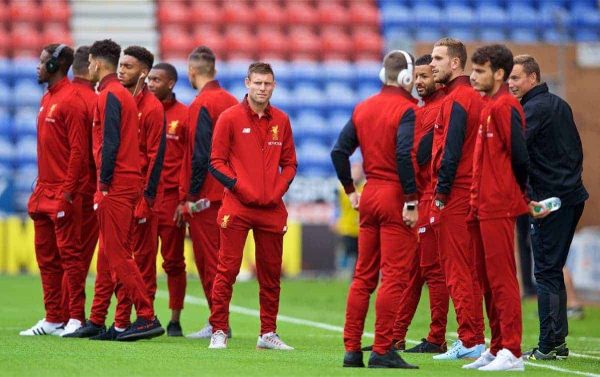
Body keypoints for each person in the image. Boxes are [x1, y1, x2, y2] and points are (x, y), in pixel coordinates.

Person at [332, 50, 419, 369]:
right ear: (407, 77)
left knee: (363, 276)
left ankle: (352, 350)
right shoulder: (408, 109)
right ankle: (382, 349)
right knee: (394, 276)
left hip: (369, 195)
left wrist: (351, 190)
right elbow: (403, 155)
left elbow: (339, 151)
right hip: (396, 195)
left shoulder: (363, 107)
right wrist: (412, 199)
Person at [207, 62, 297, 350]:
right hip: (237, 206)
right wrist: (238, 187)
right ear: (247, 83)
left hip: (271, 209)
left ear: (274, 85)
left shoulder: (281, 120)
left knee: (270, 274)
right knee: (227, 270)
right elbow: (215, 162)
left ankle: (268, 332)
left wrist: (277, 191)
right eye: (257, 83)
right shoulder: (229, 118)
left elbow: (290, 163)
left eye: (267, 83)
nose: (262, 88)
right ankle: (218, 330)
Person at [78, 39, 163, 341]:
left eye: (89, 62)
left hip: (116, 185)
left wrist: (103, 185)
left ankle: (146, 315)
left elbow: (110, 142)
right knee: (114, 254)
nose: (88, 67)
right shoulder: (120, 94)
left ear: (97, 63)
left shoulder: (110, 95)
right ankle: (108, 319)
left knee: (118, 255)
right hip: (124, 183)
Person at [508, 54, 589, 360]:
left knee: (544, 273)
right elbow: (576, 151)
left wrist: (530, 197)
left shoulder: (530, 110)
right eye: (509, 78)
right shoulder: (559, 104)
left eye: (516, 78)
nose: (511, 84)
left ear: (533, 77)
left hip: (548, 202)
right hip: (572, 196)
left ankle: (547, 343)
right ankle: (558, 340)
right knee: (552, 270)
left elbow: (518, 153)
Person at [464, 44, 528, 371]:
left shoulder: (505, 106)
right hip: (480, 205)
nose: (473, 76)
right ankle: (497, 345)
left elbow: (519, 156)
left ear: (498, 74)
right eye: (472, 70)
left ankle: (513, 352)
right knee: (486, 280)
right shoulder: (488, 106)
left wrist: (518, 195)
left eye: (479, 71)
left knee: (502, 279)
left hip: (498, 205)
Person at [20, 43, 88, 337]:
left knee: (71, 256)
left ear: (55, 65)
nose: (37, 66)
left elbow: (78, 151)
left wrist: (68, 191)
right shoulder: (48, 97)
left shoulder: (71, 100)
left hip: (62, 192)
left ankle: (75, 317)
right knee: (46, 258)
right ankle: (52, 317)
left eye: (42, 61)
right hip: (43, 191)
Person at [175, 46, 238, 340]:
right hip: (227, 192)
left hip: (206, 197)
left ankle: (218, 324)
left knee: (209, 261)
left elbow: (201, 155)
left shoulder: (202, 103)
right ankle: (218, 321)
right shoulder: (232, 101)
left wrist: (189, 195)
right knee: (219, 260)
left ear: (192, 71)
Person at [429, 37, 485, 360]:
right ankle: (474, 336)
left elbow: (449, 152)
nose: (432, 63)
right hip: (471, 190)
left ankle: (469, 338)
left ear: (454, 63)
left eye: (438, 58)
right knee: (470, 269)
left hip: (455, 193)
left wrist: (440, 194)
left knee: (457, 269)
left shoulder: (457, 100)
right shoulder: (471, 97)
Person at [391, 54, 450, 354]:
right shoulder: (416, 110)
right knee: (412, 271)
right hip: (416, 198)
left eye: (425, 76)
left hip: (431, 198)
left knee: (433, 269)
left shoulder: (442, 109)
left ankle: (437, 338)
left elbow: (426, 156)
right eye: (417, 77)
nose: (420, 82)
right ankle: (395, 335)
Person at [60, 45, 100, 337]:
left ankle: (63, 314)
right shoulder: (92, 99)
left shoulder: (63, 97)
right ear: (92, 65)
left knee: (67, 255)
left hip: (67, 188)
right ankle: (71, 315)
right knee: (79, 255)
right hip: (86, 189)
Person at [147, 62, 189, 336]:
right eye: (149, 78)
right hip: (146, 198)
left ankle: (174, 319)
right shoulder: (140, 110)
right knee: (143, 260)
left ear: (171, 83)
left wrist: (184, 199)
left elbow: (188, 159)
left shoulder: (184, 115)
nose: (150, 83)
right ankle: (146, 315)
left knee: (173, 262)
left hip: (172, 200)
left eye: (156, 79)